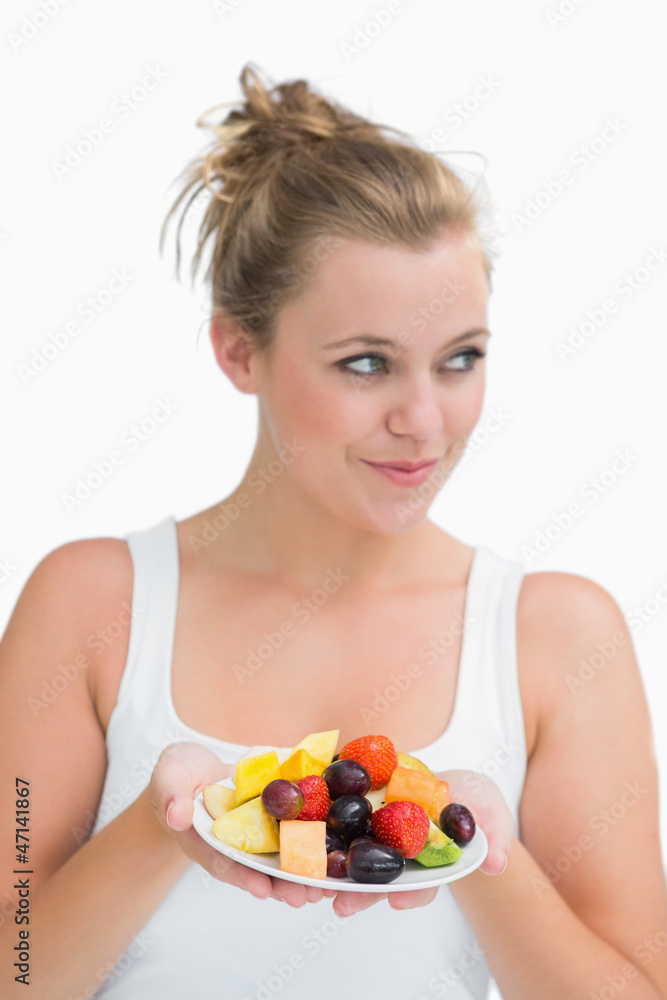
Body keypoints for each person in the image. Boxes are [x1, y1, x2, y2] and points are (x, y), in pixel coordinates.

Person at [1, 62, 666, 1000]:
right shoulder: (90, 603)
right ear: (239, 350)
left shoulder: (555, 637)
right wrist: (164, 828)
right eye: (365, 364)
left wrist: (479, 850)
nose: (424, 422)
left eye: (459, 360)